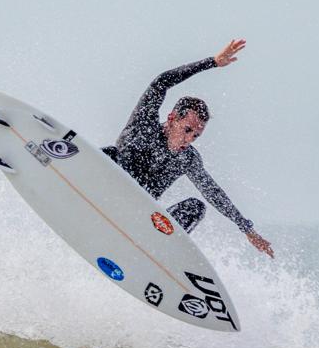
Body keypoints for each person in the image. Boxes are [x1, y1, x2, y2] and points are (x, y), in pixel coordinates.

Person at [102, 39, 274, 258]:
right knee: (109, 153)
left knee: (196, 207)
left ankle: (155, 252)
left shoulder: (187, 159)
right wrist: (211, 62)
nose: (189, 139)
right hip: (106, 192)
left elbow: (213, 192)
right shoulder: (143, 125)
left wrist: (246, 228)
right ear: (172, 118)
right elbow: (161, 82)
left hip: (137, 220)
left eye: (196, 135)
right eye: (187, 130)